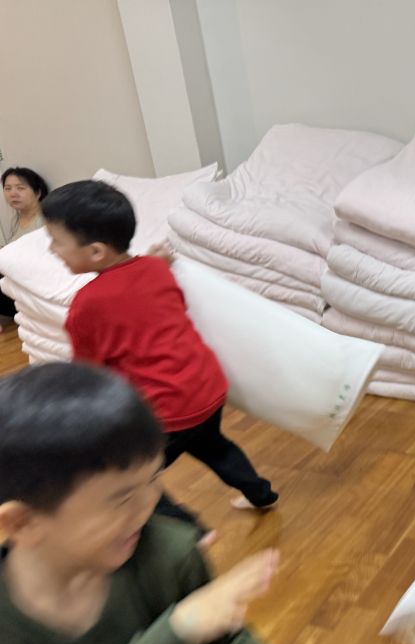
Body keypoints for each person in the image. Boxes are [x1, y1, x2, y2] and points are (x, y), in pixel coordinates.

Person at [0, 362, 396, 644]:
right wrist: (174, 632)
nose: (147, 507)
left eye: (154, 480)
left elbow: (225, 642)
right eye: (121, 498)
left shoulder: (165, 550)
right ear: (22, 523)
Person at [41, 180, 278, 529]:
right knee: (214, 446)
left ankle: (190, 532)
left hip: (166, 411)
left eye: (56, 241)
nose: (51, 250)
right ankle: (261, 494)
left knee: (135, 477)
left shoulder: (87, 305)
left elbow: (90, 375)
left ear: (96, 252)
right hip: (206, 388)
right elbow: (146, 283)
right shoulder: (154, 269)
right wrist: (158, 262)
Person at [1, 167, 49, 322]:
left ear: (38, 192)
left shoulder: (46, 220)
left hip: (32, 290)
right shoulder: (16, 219)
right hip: (15, 282)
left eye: (20, 188)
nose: (13, 194)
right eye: (7, 188)